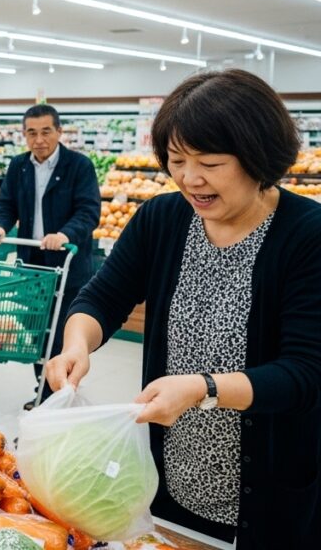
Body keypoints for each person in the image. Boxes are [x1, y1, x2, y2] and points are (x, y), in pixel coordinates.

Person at [45, 69, 321, 547]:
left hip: (273, 492)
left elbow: (305, 372)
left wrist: (203, 388)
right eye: (176, 160)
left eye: (209, 162)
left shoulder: (306, 235)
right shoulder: (162, 218)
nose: (190, 179)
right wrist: (76, 343)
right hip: (170, 481)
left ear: (258, 155)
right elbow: (102, 296)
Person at [0, 104, 100, 406]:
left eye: (45, 132)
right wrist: (1, 227)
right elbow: (7, 205)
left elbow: (89, 210)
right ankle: (43, 388)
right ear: (24, 135)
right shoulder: (19, 166)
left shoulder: (78, 165)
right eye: (32, 133)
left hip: (68, 266)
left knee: (60, 334)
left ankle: (56, 393)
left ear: (59, 131)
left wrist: (64, 234)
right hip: (33, 267)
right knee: (38, 331)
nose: (39, 139)